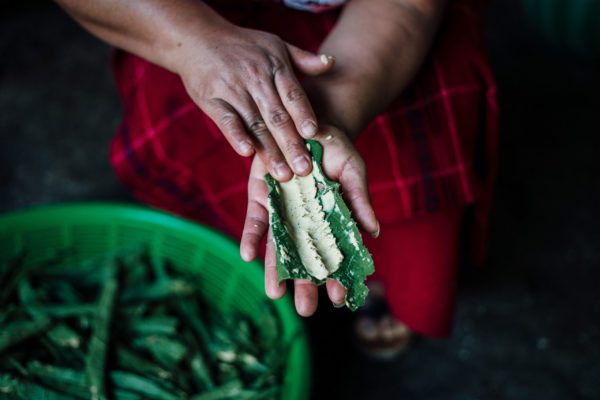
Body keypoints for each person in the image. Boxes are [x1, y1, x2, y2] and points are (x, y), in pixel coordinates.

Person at [56, 0, 498, 356]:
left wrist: (328, 115)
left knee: (406, 159)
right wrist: (195, 42)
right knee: (195, 141)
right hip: (175, 19)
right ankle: (233, 252)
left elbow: (407, 7)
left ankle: (386, 283)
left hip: (369, 40)